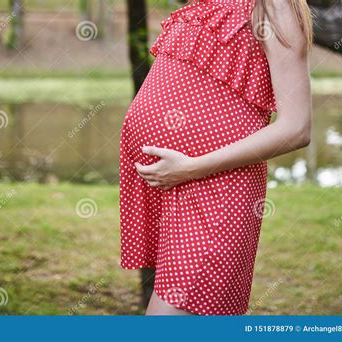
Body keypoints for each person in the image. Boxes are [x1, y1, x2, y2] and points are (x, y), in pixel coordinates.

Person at [119, 0, 313, 315]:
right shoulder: (205, 3)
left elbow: (297, 128)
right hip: (173, 185)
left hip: (218, 191)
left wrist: (192, 168)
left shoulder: (275, 7)